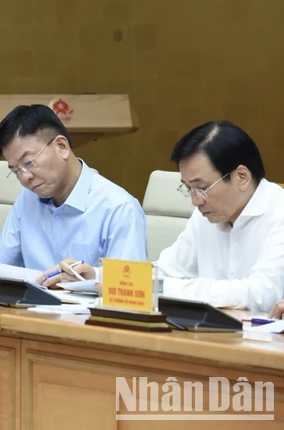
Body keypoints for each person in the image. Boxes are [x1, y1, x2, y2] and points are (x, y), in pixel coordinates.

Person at [58, 121, 284, 312]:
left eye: (201, 188)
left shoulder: (279, 211)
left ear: (241, 176)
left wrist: (165, 288)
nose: (195, 201)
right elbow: (166, 269)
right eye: (188, 189)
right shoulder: (205, 215)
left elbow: (261, 294)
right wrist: (98, 276)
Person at [0, 104, 147, 283]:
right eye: (15, 170)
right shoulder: (28, 199)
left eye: (29, 162)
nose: (24, 177)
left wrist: (91, 278)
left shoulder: (118, 207)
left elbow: (128, 287)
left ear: (61, 147)